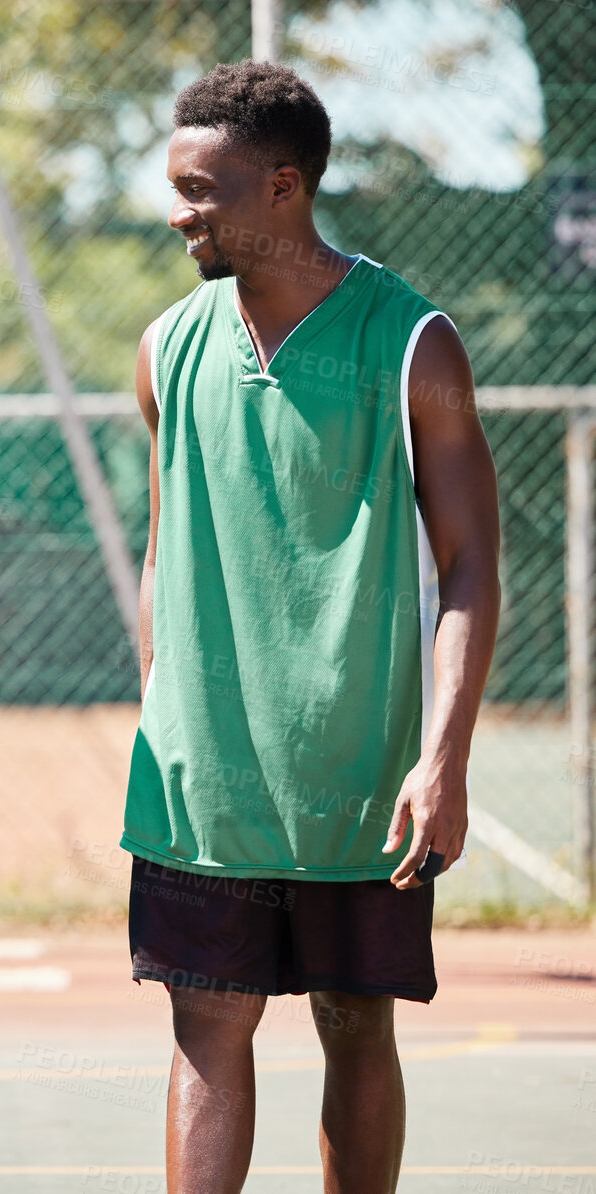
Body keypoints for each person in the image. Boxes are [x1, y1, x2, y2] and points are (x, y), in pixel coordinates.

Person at [123, 62, 501, 1192]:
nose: (178, 210)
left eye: (203, 189)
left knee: (355, 1024)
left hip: (362, 772)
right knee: (207, 1029)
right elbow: (160, 549)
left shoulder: (411, 343)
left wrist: (443, 761)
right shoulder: (164, 350)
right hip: (208, 784)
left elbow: (472, 566)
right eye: (175, 185)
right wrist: (163, 712)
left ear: (283, 186)